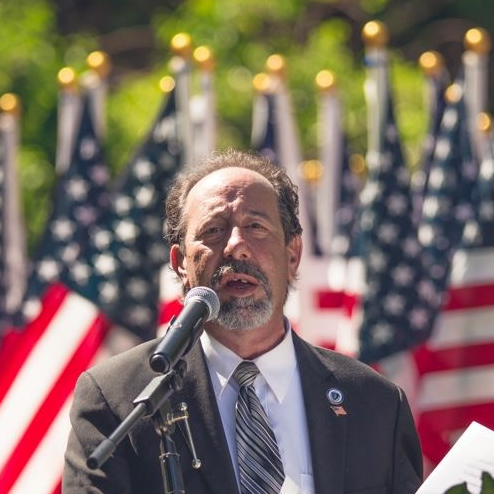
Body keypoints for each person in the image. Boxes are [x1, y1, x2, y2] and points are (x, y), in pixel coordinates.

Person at [62, 149, 423, 494]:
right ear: (180, 264)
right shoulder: (116, 398)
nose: (237, 246)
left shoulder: (375, 403)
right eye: (213, 231)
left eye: (256, 226)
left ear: (293, 254)